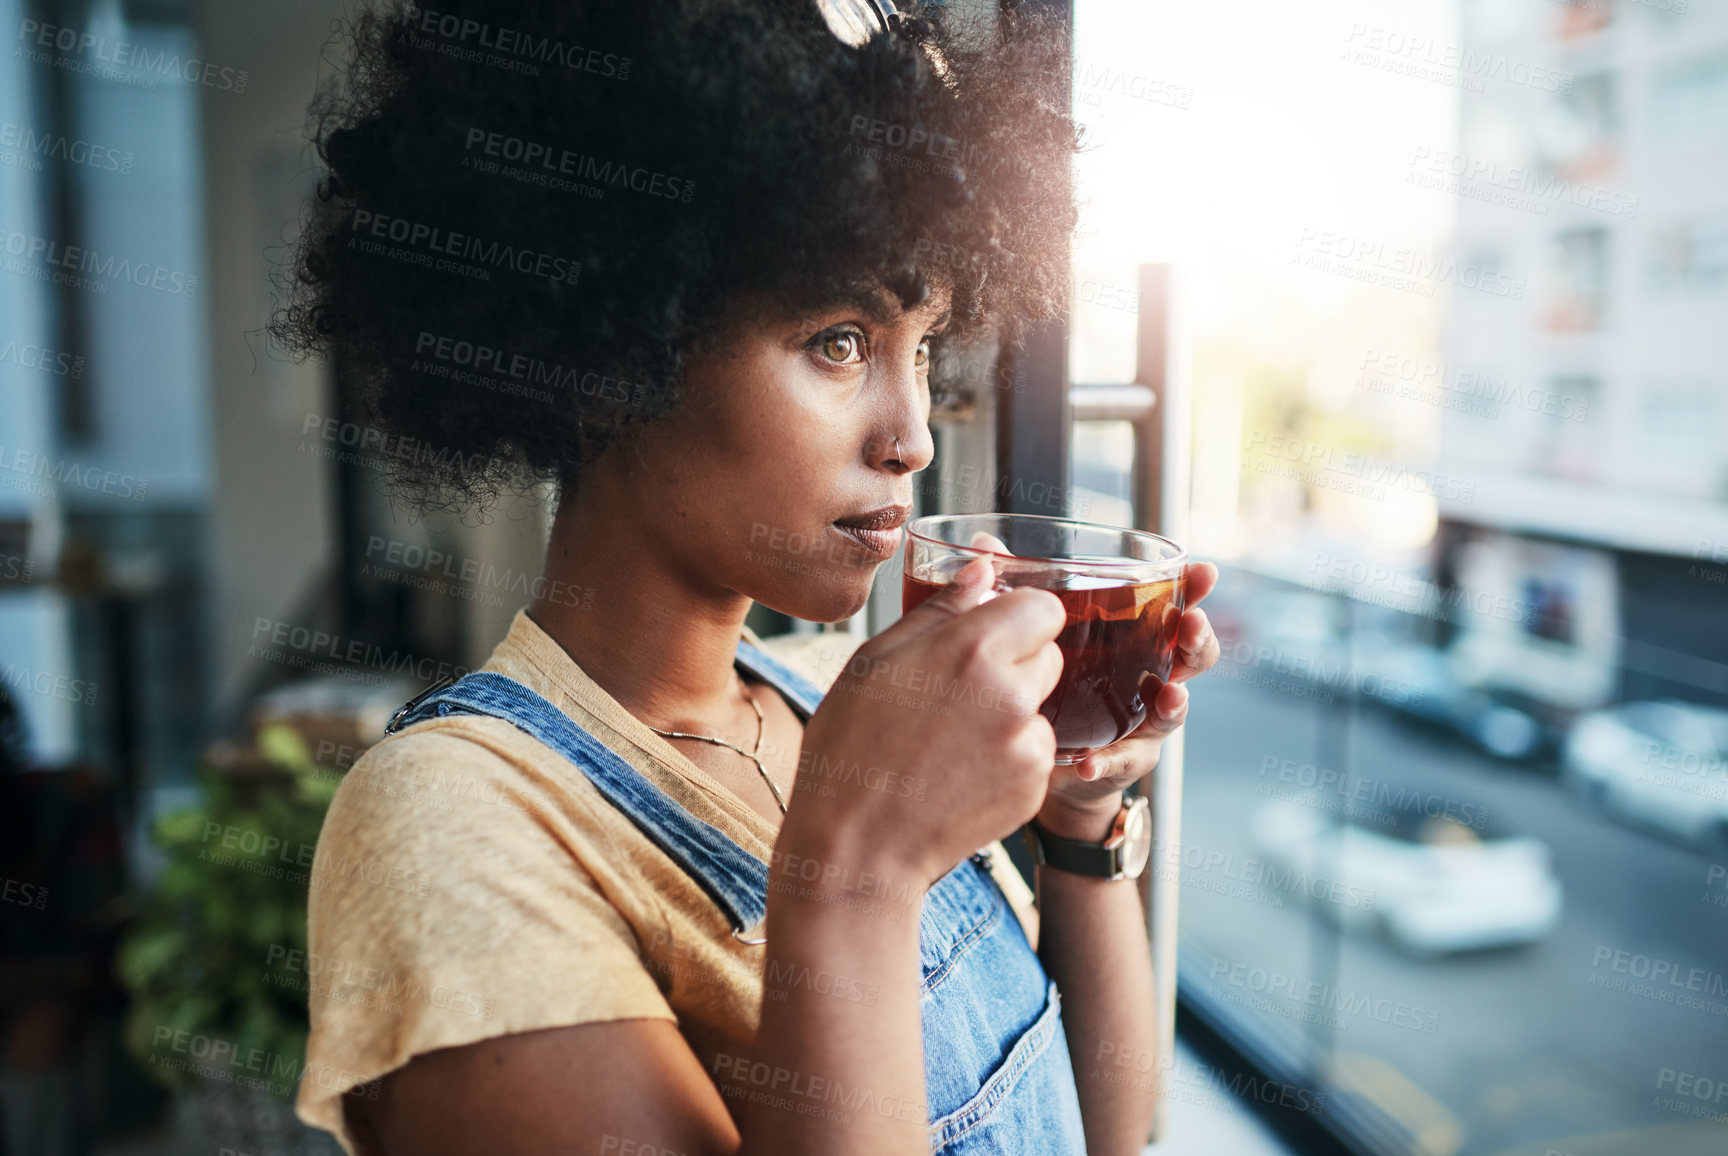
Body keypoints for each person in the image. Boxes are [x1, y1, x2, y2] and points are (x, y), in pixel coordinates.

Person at [270, 1, 1221, 1153]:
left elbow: (1107, 1135)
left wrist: (1078, 819)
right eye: (838, 341)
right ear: (612, 357)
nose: (912, 435)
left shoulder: (849, 694)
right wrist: (854, 881)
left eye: (921, 347)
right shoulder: (451, 823)